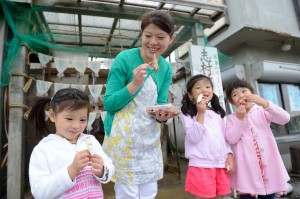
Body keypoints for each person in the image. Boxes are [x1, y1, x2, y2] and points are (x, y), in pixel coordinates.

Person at [102, 10, 178, 199]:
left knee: (149, 192)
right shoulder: (125, 59)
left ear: (171, 39)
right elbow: (109, 103)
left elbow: (159, 104)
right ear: (141, 35)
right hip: (123, 139)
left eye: (160, 37)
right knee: (127, 193)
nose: (153, 42)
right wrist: (135, 83)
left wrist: (163, 116)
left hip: (149, 139)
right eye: (148, 36)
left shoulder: (166, 68)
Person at [28, 88, 114, 199]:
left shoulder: (90, 141)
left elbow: (109, 166)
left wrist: (102, 170)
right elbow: (40, 192)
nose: (76, 126)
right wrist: (72, 170)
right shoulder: (44, 149)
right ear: (52, 115)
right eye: (69, 118)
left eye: (82, 120)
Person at [225, 79, 290, 199]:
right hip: (246, 168)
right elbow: (232, 139)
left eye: (244, 91)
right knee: (246, 194)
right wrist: (239, 119)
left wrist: (265, 103)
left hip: (268, 166)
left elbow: (285, 119)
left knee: (268, 195)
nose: (241, 95)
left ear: (252, 93)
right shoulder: (231, 118)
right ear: (231, 101)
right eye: (235, 94)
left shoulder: (262, 111)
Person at [180, 74, 234, 199]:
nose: (204, 90)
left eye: (208, 86)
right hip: (201, 165)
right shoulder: (187, 113)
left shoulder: (218, 112)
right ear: (190, 95)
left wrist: (229, 155)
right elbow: (193, 138)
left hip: (220, 164)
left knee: (220, 196)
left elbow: (224, 138)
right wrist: (201, 113)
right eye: (198, 87)